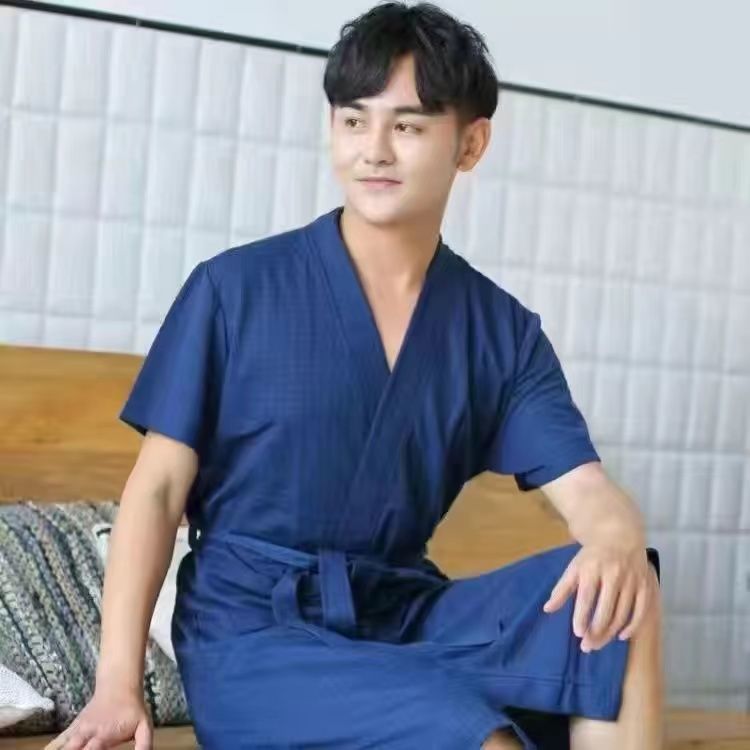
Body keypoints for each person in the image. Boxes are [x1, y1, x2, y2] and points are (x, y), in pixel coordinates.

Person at [45, 3, 663, 749]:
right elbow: (157, 490)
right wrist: (117, 684)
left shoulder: (500, 333)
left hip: (402, 618)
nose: (374, 150)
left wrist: (617, 537)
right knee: (473, 736)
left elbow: (587, 491)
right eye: (353, 120)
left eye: (408, 126)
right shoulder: (233, 290)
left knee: (623, 590)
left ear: (470, 144)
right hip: (257, 639)